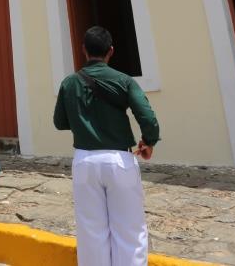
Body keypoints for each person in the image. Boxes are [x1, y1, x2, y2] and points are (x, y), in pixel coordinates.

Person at [54, 26, 160, 266]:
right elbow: (147, 117)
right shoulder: (124, 80)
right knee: (130, 232)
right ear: (111, 51)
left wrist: (82, 121)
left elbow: (59, 122)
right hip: (119, 161)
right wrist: (148, 141)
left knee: (91, 233)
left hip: (84, 161)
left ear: (83, 50)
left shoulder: (69, 83)